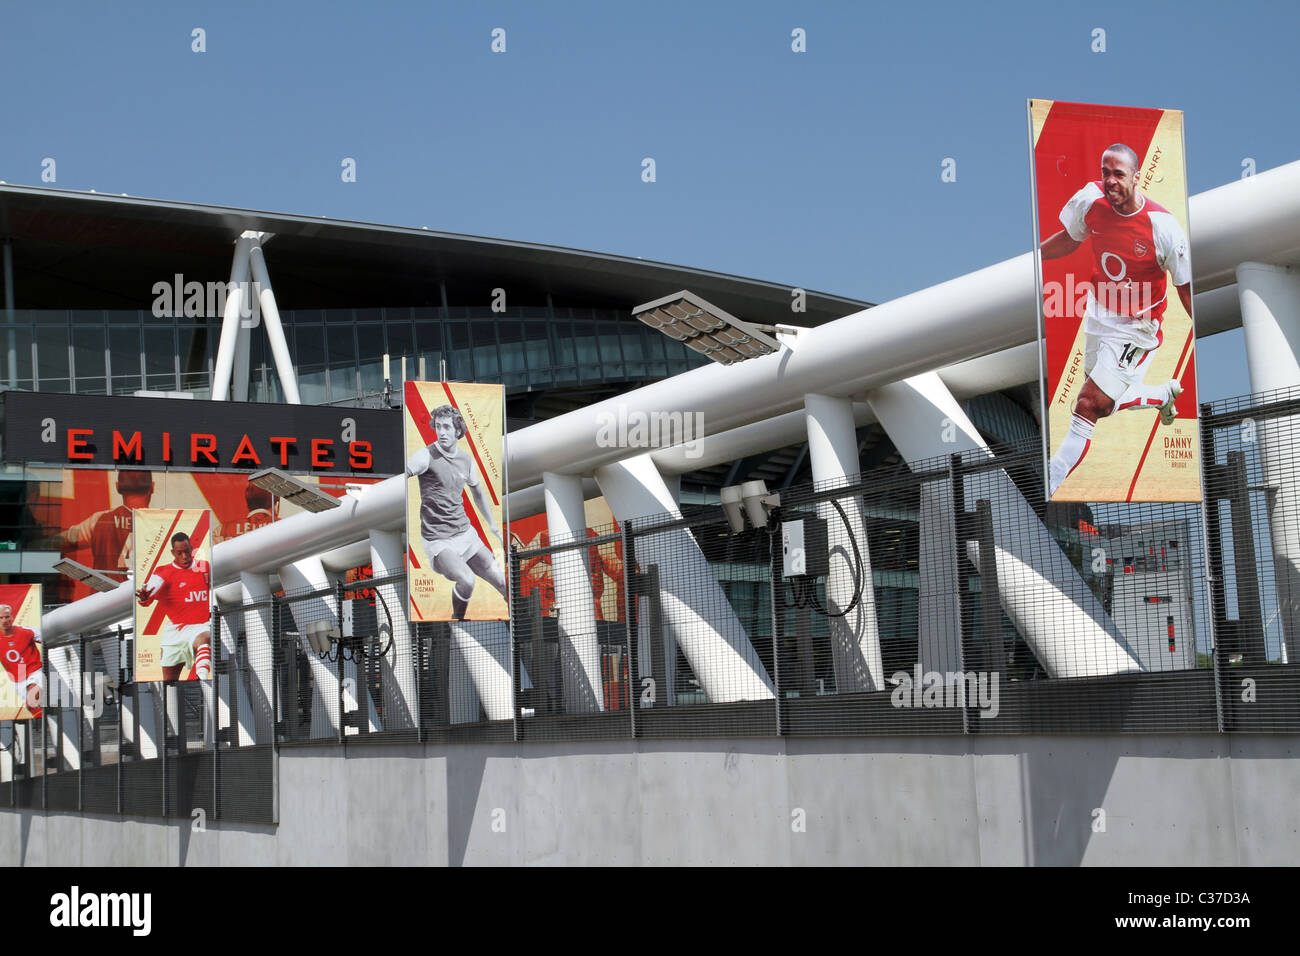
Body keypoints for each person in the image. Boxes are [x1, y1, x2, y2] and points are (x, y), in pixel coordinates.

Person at [1039, 143, 1193, 497]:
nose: (1110, 181)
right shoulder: (1090, 200)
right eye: (1105, 172)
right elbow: (1070, 238)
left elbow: (1183, 287)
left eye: (1118, 174)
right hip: (1099, 314)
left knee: (1088, 404)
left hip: (1137, 328)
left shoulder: (1163, 227)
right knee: (1104, 403)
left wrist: (1198, 328)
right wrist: (1034, 257)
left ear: (1137, 178)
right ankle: (1158, 396)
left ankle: (1050, 480)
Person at [406, 404, 507, 619]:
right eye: (438, 427)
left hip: (465, 534)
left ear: (457, 431)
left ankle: (519, 625)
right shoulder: (424, 456)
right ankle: (457, 621)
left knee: (503, 582)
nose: (441, 432)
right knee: (467, 580)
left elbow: (478, 492)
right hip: (438, 539)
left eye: (447, 427)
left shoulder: (466, 460)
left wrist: (491, 525)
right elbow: (398, 480)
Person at [135, 532, 212, 681]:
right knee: (169, 682)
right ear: (172, 553)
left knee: (205, 637)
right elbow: (147, 596)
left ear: (192, 549)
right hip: (175, 631)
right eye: (179, 553)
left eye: (187, 551)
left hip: (200, 626)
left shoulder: (204, 567)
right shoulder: (163, 572)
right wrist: (144, 598)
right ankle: (169, 701)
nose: (184, 556)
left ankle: (203, 676)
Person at [62, 470, 155, 580]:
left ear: (117, 487)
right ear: (152, 486)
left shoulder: (99, 521)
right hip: (147, 595)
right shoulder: (163, 522)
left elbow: (57, 542)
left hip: (106, 595)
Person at [0, 604, 43, 717]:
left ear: (12, 617)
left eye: (7, 617)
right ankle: (46, 725)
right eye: (1, 618)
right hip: (18, 678)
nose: (4, 620)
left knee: (32, 698)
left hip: (34, 671)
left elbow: (47, 639)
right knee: (32, 708)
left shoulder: (26, 631)